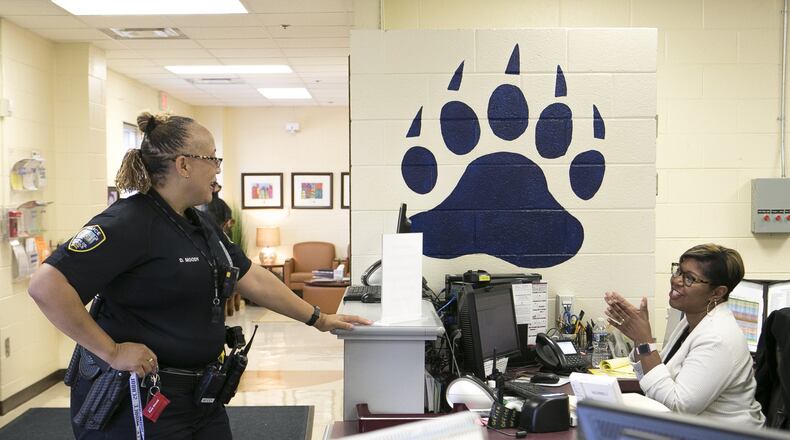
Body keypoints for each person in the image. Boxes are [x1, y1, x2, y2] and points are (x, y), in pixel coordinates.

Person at [28, 112, 371, 439]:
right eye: (213, 159)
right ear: (184, 165)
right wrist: (113, 351)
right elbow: (46, 286)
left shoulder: (199, 223)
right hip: (142, 399)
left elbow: (251, 278)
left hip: (201, 397)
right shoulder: (128, 222)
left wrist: (318, 318)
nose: (218, 170)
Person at [604, 243, 765, 428]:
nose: (677, 281)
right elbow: (650, 378)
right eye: (679, 271)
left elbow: (679, 407)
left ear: (717, 293)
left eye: (689, 278)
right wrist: (638, 338)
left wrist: (644, 341)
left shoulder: (717, 338)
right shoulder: (691, 321)